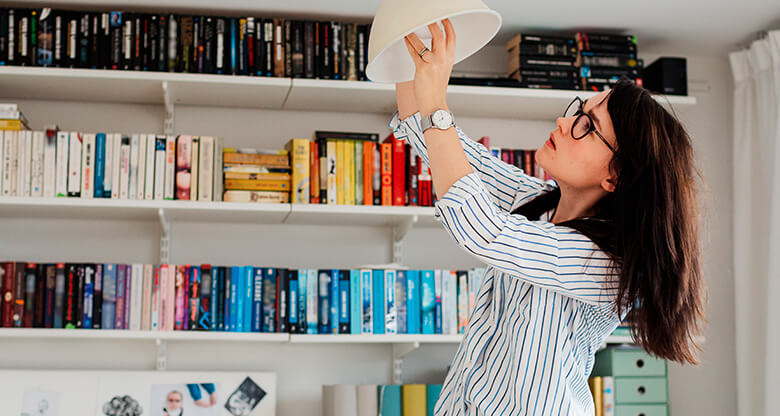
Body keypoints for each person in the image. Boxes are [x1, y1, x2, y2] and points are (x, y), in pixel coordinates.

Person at [392, 19, 706, 415]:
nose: (563, 121)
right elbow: (430, 140)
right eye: (578, 110)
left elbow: (481, 231)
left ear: (616, 175)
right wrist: (408, 41)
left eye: (587, 126)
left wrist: (438, 103)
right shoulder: (535, 202)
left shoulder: (605, 262)